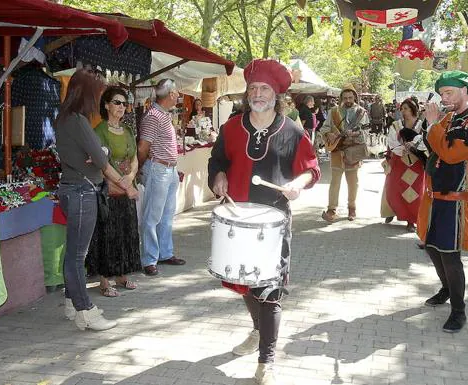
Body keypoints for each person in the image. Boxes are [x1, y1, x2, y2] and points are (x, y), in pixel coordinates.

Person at [208, 58, 320, 385]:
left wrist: (297, 185)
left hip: (274, 224)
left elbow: (311, 169)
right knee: (246, 285)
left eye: (265, 88)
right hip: (238, 220)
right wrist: (218, 178)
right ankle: (258, 332)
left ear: (276, 94)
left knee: (270, 291)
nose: (257, 93)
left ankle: (266, 362)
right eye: (253, 87)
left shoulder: (292, 131)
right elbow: (218, 160)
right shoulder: (230, 128)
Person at [54, 69, 138, 331]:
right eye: (98, 92)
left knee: (74, 253)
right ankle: (85, 310)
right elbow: (102, 161)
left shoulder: (65, 118)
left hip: (75, 188)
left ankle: (71, 302)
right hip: (82, 191)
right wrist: (126, 184)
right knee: (77, 256)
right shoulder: (77, 121)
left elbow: (94, 156)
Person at [417, 70, 468, 333]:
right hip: (434, 197)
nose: (444, 97)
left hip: (455, 201)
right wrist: (430, 130)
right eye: (441, 93)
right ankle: (446, 289)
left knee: (450, 255)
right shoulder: (450, 119)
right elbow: (435, 149)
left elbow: (451, 154)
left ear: (464, 91)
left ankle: (459, 311)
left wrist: (435, 125)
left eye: (448, 92)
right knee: (432, 248)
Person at [85, 86, 141, 297]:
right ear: (107, 105)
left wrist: (131, 177)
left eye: (124, 103)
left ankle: (122, 275)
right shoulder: (99, 131)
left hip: (127, 187)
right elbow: (103, 164)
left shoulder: (127, 131)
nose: (121, 107)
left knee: (125, 233)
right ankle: (104, 280)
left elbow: (135, 158)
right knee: (107, 236)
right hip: (109, 190)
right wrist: (124, 183)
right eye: (117, 102)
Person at [137, 79, 187, 276]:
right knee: (152, 216)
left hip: (168, 169)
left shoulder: (163, 114)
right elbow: (143, 147)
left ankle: (165, 253)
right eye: (176, 92)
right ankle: (149, 258)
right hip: (158, 168)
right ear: (171, 94)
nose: (177, 95)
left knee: (166, 215)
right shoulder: (153, 116)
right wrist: (140, 168)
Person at [319, 85, 369, 222]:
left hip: (353, 151)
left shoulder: (362, 112)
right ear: (341, 98)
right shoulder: (333, 111)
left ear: (355, 98)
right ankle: (331, 209)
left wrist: (356, 134)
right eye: (345, 97)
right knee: (335, 181)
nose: (348, 100)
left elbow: (365, 132)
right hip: (336, 151)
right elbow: (324, 128)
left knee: (353, 182)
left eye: (350, 97)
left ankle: (352, 208)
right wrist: (329, 134)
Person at [381, 98, 427, 232]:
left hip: (416, 163)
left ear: (413, 109)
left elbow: (426, 139)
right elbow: (391, 142)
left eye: (406, 108)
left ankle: (411, 220)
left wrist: (414, 146)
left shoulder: (421, 125)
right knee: (394, 188)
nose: (403, 111)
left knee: (414, 192)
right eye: (402, 109)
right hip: (399, 161)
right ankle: (393, 211)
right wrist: (402, 148)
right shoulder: (396, 125)